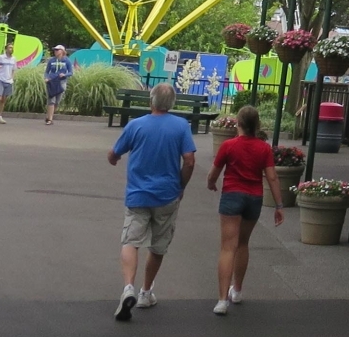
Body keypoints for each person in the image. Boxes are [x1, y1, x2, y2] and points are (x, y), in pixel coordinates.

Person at [108, 82, 196, 320]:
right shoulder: (181, 126)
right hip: (167, 195)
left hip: (138, 194)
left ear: (151, 101)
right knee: (158, 245)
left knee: (130, 240)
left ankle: (128, 287)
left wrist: (113, 158)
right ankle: (146, 292)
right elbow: (189, 160)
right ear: (172, 103)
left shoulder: (136, 125)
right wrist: (181, 186)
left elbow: (114, 153)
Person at [206, 105, 285, 315]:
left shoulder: (228, 145)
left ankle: (222, 300)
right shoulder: (263, 148)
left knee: (227, 247)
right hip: (254, 198)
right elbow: (272, 177)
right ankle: (237, 290)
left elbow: (214, 172)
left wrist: (211, 183)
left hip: (232, 196)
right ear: (256, 125)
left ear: (238, 124)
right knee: (242, 243)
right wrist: (279, 205)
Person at [42, 45, 73, 125]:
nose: (55, 51)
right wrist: (46, 78)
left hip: (61, 82)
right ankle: (50, 119)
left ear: (62, 51)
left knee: (57, 102)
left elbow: (71, 72)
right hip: (51, 82)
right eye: (55, 50)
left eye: (57, 50)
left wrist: (65, 75)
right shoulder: (51, 60)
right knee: (51, 101)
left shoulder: (67, 60)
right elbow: (47, 71)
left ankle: (49, 116)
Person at [0, 40, 17, 123]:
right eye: (10, 48)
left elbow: (13, 69)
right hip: (0, 79)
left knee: (3, 100)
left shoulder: (14, 59)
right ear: (6, 49)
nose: (11, 49)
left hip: (8, 81)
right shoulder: (0, 57)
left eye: (12, 48)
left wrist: (12, 78)